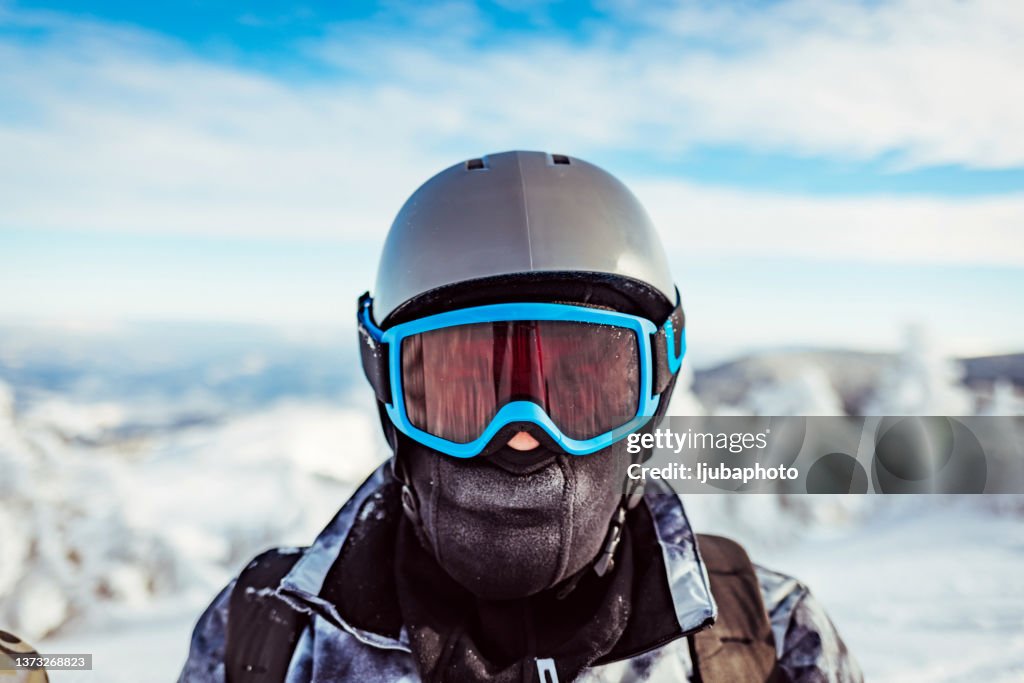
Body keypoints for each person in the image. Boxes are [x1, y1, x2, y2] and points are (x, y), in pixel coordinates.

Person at [179, 151, 862, 682]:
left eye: (581, 387)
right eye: (465, 386)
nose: (525, 433)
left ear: (655, 390)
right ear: (387, 387)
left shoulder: (763, 636)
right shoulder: (266, 633)